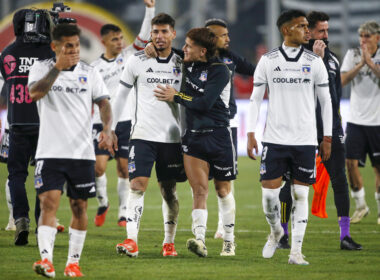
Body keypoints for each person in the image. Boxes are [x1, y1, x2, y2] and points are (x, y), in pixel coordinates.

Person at [247, 10, 332, 265]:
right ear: (286, 30)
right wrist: (251, 132)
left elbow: (325, 101)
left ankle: (296, 251)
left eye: (308, 26)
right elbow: (255, 98)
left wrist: (326, 137)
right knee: (269, 197)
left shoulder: (315, 61)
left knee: (300, 195)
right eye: (301, 26)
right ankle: (275, 232)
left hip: (305, 140)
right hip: (274, 139)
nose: (307, 30)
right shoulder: (268, 60)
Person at [28, 24, 114, 277]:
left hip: (81, 153)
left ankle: (73, 263)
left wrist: (107, 128)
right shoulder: (41, 68)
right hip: (49, 151)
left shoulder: (90, 72)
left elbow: (104, 102)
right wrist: (58, 67)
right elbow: (34, 93)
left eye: (76, 45)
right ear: (55, 47)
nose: (74, 50)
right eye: (68, 46)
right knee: (48, 203)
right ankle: (46, 261)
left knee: (79, 207)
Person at [278, 11, 362, 250]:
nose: (325, 35)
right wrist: (316, 59)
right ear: (308, 32)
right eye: (320, 31)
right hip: (300, 130)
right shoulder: (295, 58)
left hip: (330, 131)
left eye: (327, 30)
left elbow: (333, 98)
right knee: (290, 183)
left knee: (339, 181)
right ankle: (283, 234)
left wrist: (335, 127)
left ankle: (344, 236)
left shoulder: (333, 59)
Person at [154, 27, 237, 257]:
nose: (184, 49)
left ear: (202, 51)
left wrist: (177, 96)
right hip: (194, 137)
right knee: (199, 191)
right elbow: (166, 49)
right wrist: (151, 47)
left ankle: (229, 241)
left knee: (222, 191)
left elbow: (205, 103)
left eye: (188, 45)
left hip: (219, 136)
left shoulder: (220, 70)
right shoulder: (186, 62)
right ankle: (200, 240)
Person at [114, 13, 184, 258]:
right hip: (142, 135)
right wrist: (110, 127)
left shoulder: (184, 62)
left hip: (172, 138)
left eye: (165, 31)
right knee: (137, 185)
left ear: (173, 34)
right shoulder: (138, 60)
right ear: (151, 34)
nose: (159, 36)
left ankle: (169, 242)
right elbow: (121, 95)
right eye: (155, 32)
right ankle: (131, 241)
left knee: (169, 191)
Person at [91, 0, 156, 227]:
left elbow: (145, 34)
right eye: (114, 39)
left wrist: (150, 9)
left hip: (127, 121)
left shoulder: (129, 55)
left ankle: (122, 213)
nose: (120, 42)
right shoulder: (94, 68)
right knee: (98, 167)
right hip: (101, 123)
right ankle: (102, 203)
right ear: (104, 42)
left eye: (120, 38)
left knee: (123, 169)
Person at [0, 9, 55, 245]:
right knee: (45, 177)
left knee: (16, 175)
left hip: (17, 122)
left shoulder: (8, 53)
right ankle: (42, 223)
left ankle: (20, 219)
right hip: (46, 123)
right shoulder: (50, 52)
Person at [204, 18, 255, 240]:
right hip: (200, 125)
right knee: (200, 181)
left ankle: (222, 225)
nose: (229, 39)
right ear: (211, 37)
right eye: (224, 35)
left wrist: (227, 52)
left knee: (224, 179)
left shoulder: (229, 58)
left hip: (226, 124)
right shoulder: (195, 57)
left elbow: (253, 70)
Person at [341, 21, 380, 225]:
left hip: (378, 121)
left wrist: (371, 64)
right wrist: (361, 64)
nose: (363, 40)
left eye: (367, 36)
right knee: (350, 163)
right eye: (361, 36)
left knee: (378, 168)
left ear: (377, 38)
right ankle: (361, 206)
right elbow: (342, 80)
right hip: (356, 120)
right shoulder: (353, 54)